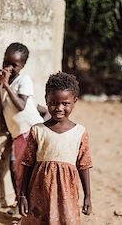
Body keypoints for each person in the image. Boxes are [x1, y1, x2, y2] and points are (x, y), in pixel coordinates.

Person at [19, 72, 92, 225]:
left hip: (67, 195)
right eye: (53, 102)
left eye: (65, 103)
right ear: (46, 100)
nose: (59, 108)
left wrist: (88, 196)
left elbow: (84, 165)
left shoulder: (80, 132)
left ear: (74, 101)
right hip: (39, 193)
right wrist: (23, 195)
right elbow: (27, 164)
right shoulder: (37, 130)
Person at [0, 42, 49, 210]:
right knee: (19, 171)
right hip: (18, 136)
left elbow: (21, 105)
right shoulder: (3, 83)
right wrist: (0, 84)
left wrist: (6, 85)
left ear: (22, 66)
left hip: (31, 131)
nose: (8, 67)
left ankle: (29, 208)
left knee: (27, 172)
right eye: (6, 62)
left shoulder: (24, 80)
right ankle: (22, 205)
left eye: (14, 65)